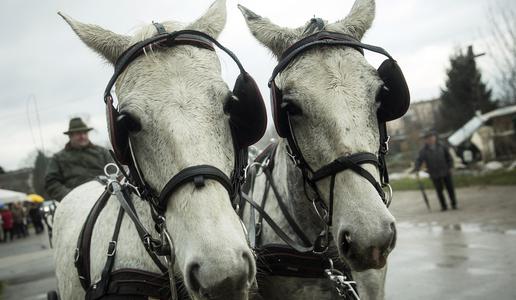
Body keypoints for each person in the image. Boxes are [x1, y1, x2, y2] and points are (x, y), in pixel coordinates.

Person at [45, 117, 112, 201]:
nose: (83, 136)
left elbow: (115, 173)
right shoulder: (58, 158)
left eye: (85, 133)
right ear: (70, 136)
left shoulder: (103, 152)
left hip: (105, 196)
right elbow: (51, 183)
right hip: (75, 202)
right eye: (78, 133)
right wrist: (70, 196)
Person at [414, 130, 458, 211]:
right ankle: (444, 206)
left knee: (450, 189)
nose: (430, 139)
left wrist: (451, 167)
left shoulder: (442, 146)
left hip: (446, 171)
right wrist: (416, 167)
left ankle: (454, 204)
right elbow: (419, 160)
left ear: (435, 137)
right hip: (434, 173)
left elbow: (449, 158)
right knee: (439, 191)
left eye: (431, 137)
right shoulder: (423, 151)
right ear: (425, 140)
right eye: (428, 138)